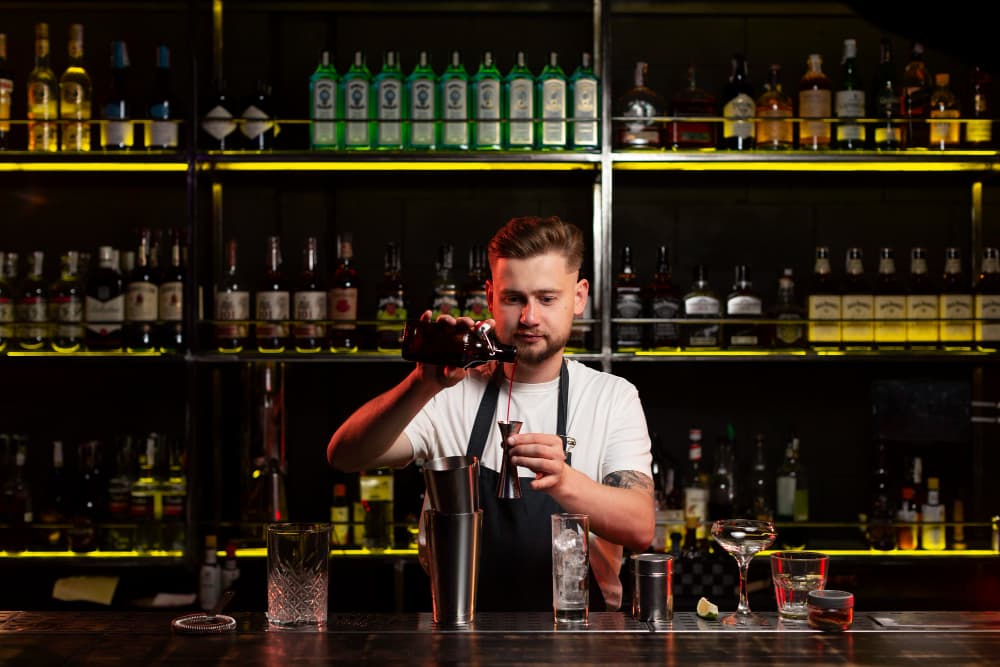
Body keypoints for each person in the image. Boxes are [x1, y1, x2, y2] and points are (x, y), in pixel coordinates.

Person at [327, 215, 654, 611]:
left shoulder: (610, 397)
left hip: (578, 637)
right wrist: (422, 382)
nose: (530, 317)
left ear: (579, 296)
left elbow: (639, 527)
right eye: (514, 298)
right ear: (491, 296)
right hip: (456, 630)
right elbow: (344, 455)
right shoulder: (448, 393)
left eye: (547, 298)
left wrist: (563, 481)